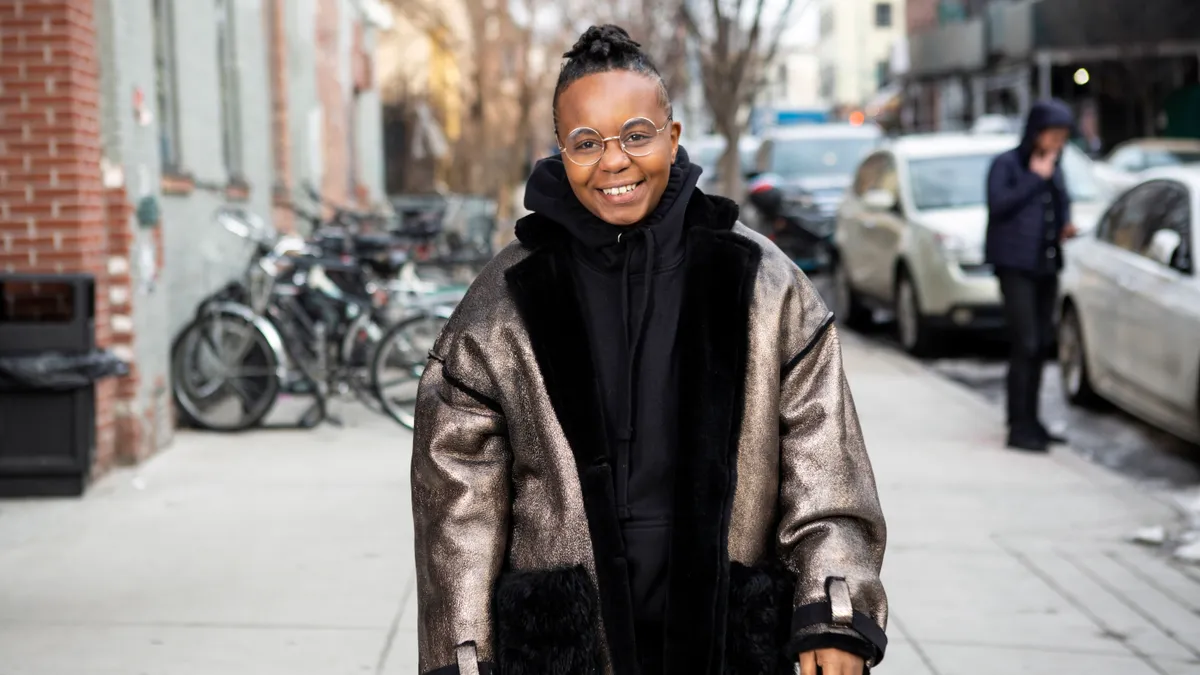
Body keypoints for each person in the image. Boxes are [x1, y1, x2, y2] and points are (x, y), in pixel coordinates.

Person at [411, 25, 888, 675]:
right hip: (566, 651)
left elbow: (826, 466)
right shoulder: (502, 304)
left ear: (672, 135)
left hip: (729, 641)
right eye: (587, 143)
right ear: (561, 151)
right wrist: (460, 652)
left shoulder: (764, 284)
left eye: (636, 134)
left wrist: (834, 609)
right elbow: (455, 509)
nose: (614, 161)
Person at [985, 99, 1080, 453]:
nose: (1057, 143)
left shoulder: (1055, 167)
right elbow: (999, 206)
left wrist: (1065, 224)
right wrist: (1033, 178)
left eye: (1063, 136)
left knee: (1041, 343)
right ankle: (1017, 425)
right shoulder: (1006, 165)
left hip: (1046, 263)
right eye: (1053, 135)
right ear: (1036, 132)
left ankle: (1032, 420)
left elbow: (1061, 203)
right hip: (1014, 266)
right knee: (1024, 342)